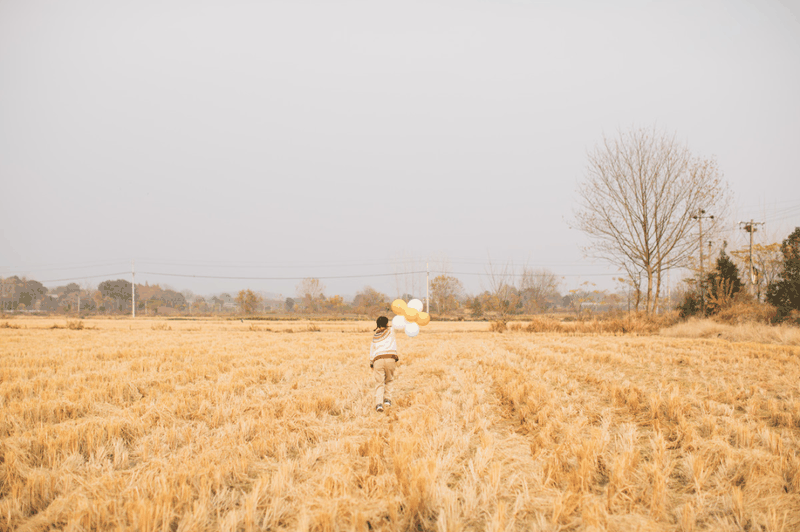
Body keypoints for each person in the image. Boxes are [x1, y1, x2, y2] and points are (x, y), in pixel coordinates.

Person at [369, 316, 398, 413]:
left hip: (378, 360)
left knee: (379, 383)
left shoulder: (375, 336)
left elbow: (372, 351)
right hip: (390, 358)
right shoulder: (391, 332)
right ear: (387, 324)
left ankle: (379, 404)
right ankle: (387, 401)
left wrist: (371, 363)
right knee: (389, 380)